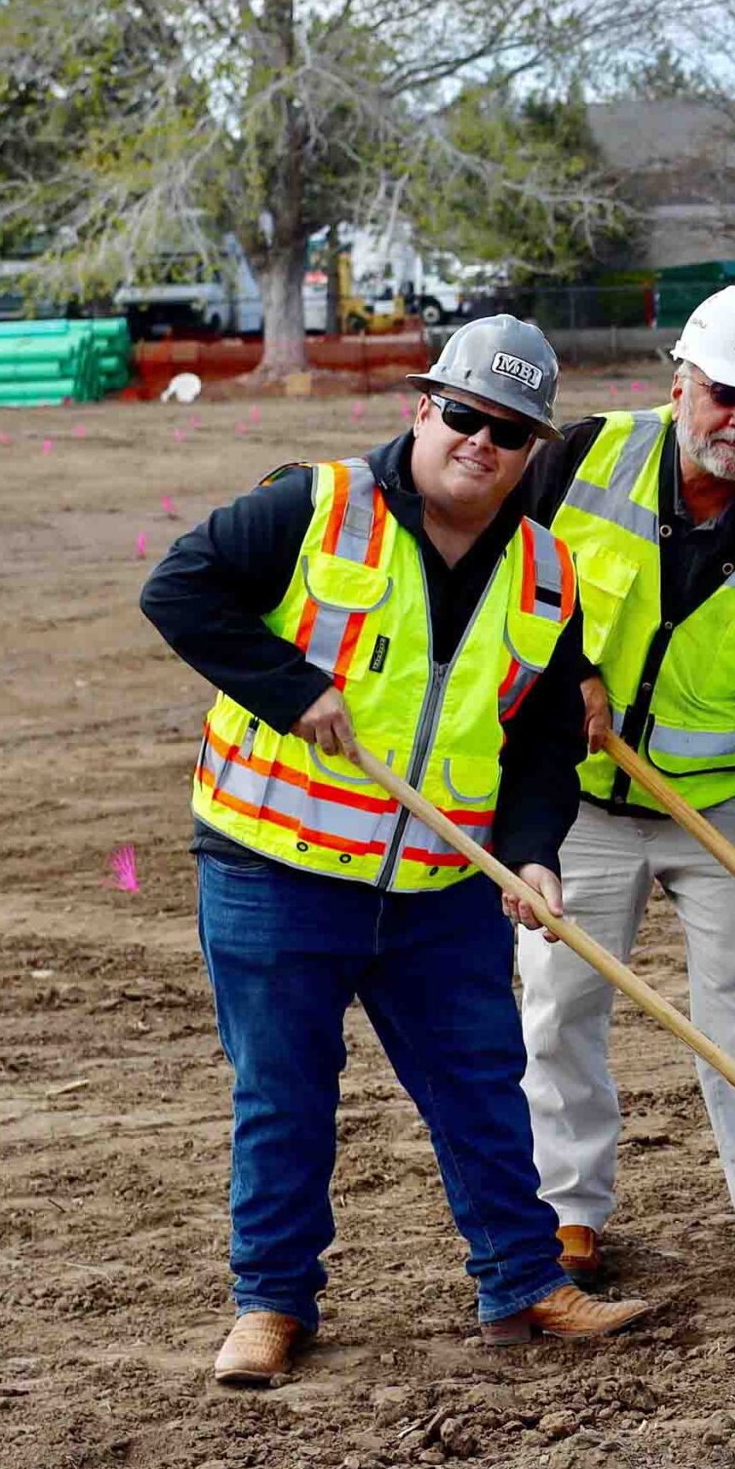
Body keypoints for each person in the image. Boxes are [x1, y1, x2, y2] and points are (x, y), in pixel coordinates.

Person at [140, 316, 652, 1387]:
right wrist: (294, 692)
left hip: (439, 882)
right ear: (423, 407)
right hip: (275, 869)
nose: (481, 441)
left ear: (533, 452)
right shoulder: (312, 506)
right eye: (464, 414)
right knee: (285, 1093)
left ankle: (523, 1280)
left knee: (481, 1082)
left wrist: (534, 853)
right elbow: (179, 590)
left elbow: (549, 737)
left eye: (509, 431)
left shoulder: (549, 575)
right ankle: (272, 1305)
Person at [515, 285, 735, 1286]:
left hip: (723, 804)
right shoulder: (580, 460)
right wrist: (566, 664)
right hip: (579, 797)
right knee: (559, 1001)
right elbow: (504, 576)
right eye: (725, 397)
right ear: (680, 386)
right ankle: (565, 1214)